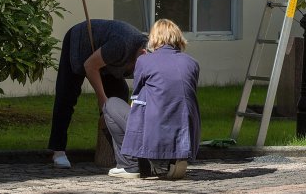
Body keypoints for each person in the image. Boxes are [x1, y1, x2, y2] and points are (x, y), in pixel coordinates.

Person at [103, 19, 201, 179]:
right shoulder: (192, 63)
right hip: (186, 133)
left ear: (154, 38)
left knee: (111, 104)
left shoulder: (144, 61)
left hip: (155, 129)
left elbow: (137, 96)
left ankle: (130, 164)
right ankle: (172, 157)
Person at [47, 19, 148, 169]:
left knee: (119, 95)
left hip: (107, 60)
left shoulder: (146, 55)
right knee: (67, 96)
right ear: (143, 52)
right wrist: (101, 97)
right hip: (80, 42)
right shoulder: (121, 44)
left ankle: (119, 152)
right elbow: (90, 66)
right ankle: (58, 151)